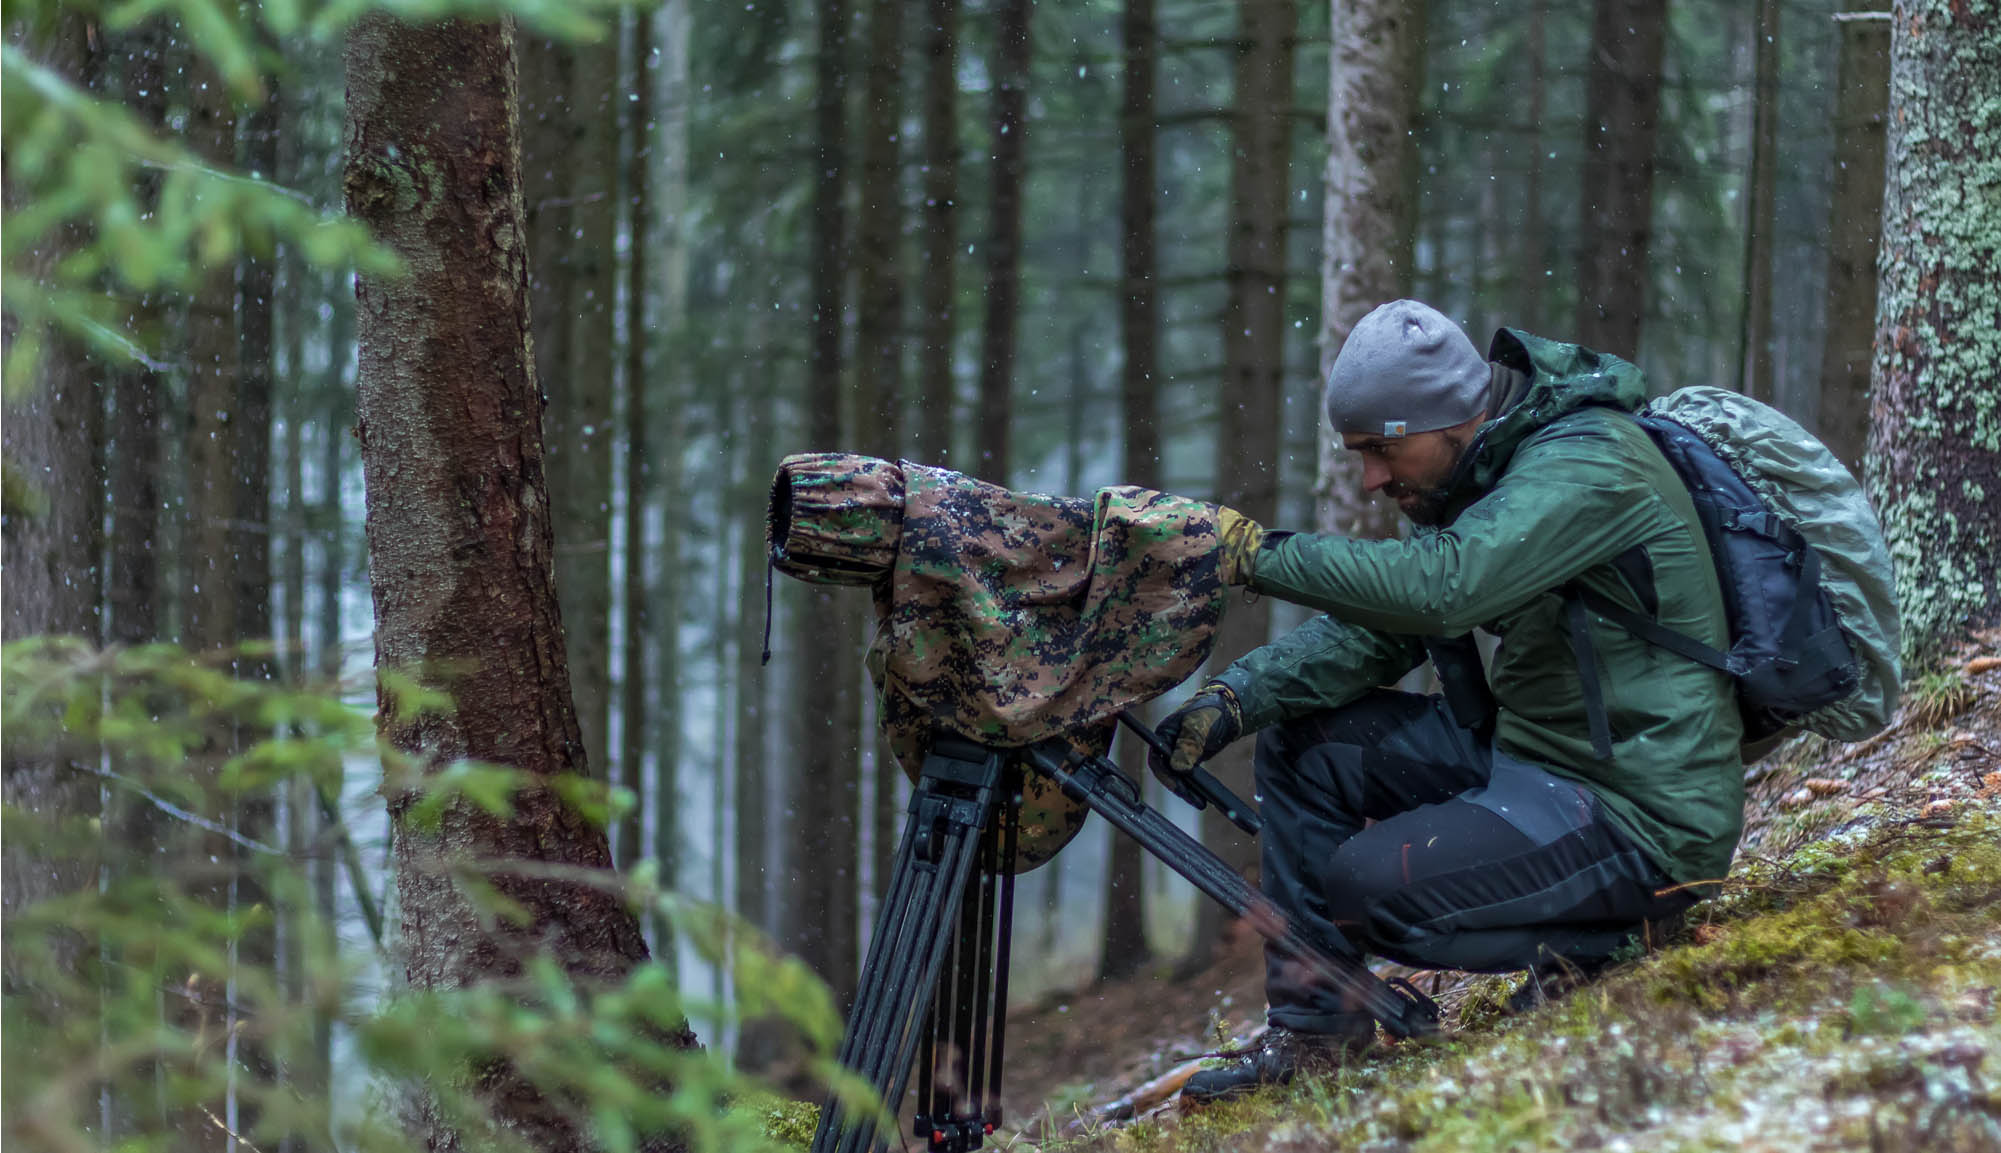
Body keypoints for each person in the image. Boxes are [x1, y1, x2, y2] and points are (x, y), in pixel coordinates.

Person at [1156, 299, 1743, 1102]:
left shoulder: (1586, 462)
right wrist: (1235, 696)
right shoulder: (1481, 477)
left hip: (1639, 807)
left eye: (1380, 449)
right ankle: (1316, 1035)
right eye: (1357, 453)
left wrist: (1253, 556)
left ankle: (1613, 938)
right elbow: (1379, 633)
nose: (1369, 477)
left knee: (1370, 889)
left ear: (1447, 420)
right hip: (1537, 760)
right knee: (1304, 745)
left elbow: (1442, 590)